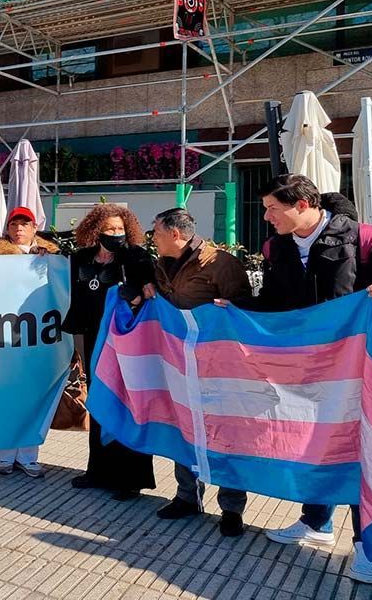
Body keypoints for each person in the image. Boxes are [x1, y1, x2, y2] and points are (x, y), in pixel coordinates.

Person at [228, 175, 372, 583]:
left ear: (302, 205)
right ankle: (316, 522)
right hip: (309, 367)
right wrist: (234, 309)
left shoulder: (361, 237)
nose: (266, 216)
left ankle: (371, 547)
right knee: (315, 443)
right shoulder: (277, 247)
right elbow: (274, 301)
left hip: (358, 368)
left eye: (272, 208)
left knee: (360, 449)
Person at [147, 208, 251, 536]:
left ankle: (231, 508)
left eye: (156, 232)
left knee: (226, 435)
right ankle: (187, 496)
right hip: (180, 363)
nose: (153, 237)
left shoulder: (221, 264)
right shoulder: (161, 264)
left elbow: (246, 311)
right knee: (184, 428)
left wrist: (230, 310)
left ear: (175, 234)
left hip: (220, 366)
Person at [63, 203, 156, 500]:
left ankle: (131, 478)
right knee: (100, 400)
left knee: (127, 403)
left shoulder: (135, 257)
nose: (115, 234)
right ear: (96, 230)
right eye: (109, 229)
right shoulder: (81, 258)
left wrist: (140, 292)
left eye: (120, 229)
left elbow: (151, 289)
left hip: (125, 342)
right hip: (92, 338)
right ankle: (98, 471)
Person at [0, 206, 60, 477]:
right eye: (14, 224)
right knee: (6, 397)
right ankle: (5, 456)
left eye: (24, 224)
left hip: (38, 335)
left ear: (34, 228)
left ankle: (28, 456)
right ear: (8, 228)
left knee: (34, 398)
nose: (19, 229)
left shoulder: (51, 256)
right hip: (5, 335)